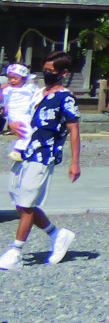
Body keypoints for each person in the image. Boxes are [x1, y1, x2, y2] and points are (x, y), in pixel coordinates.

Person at [0, 55, 79, 269]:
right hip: (25, 150)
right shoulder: (36, 94)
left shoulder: (65, 98)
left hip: (45, 154)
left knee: (27, 203)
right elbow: (16, 112)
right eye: (45, 68)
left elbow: (73, 130)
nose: (47, 73)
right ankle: (57, 234)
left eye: (51, 69)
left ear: (63, 73)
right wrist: (12, 123)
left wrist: (75, 162)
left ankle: (15, 251)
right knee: (19, 200)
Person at [3, 62, 32, 162]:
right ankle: (16, 150)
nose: (12, 81)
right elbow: (4, 101)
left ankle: (20, 149)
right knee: (27, 132)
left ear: (23, 78)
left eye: (15, 78)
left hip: (26, 112)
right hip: (15, 113)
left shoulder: (29, 88)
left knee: (30, 129)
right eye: (10, 78)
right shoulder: (8, 89)